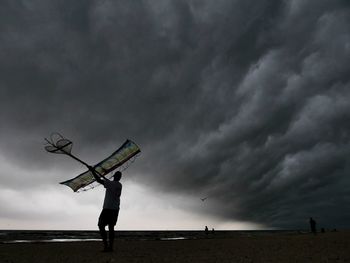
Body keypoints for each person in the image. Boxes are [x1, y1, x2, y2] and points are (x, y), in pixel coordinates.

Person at [89, 166, 122, 252]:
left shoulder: (110, 183)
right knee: (111, 227)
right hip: (115, 209)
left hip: (108, 208)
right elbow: (105, 182)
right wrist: (107, 181)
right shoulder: (119, 185)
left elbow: (99, 180)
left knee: (101, 225)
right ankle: (110, 247)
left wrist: (92, 171)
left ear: (115, 176)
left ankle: (106, 246)